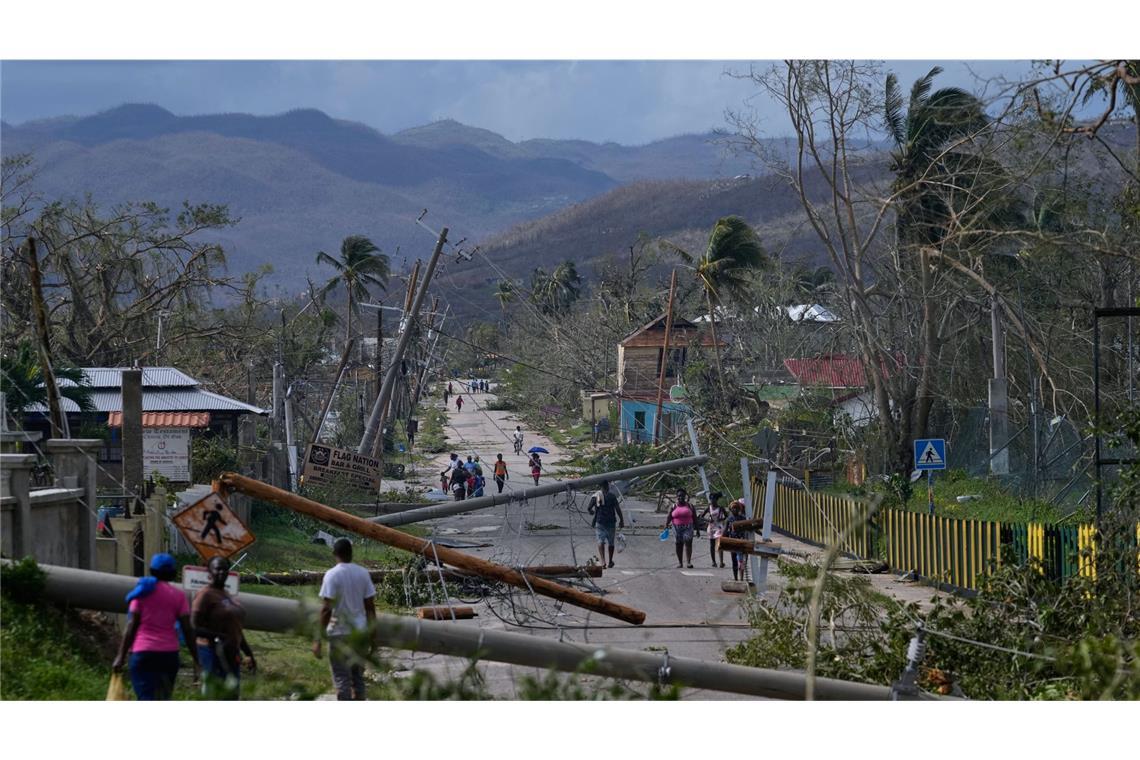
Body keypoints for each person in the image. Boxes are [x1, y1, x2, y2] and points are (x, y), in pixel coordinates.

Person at [112, 553, 199, 700]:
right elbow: (187, 629)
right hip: (168, 655)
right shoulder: (178, 596)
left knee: (145, 697)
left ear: (152, 570)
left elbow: (131, 625)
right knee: (163, 698)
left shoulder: (141, 592)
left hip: (143, 653)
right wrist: (197, 658)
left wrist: (120, 656)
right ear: (172, 573)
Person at [313, 538, 377, 701]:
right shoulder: (363, 573)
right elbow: (370, 607)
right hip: (359, 633)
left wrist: (318, 639)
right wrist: (373, 636)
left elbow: (327, 609)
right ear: (351, 554)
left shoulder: (332, 575)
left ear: (334, 554)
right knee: (357, 678)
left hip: (338, 633)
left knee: (342, 678)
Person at [192, 556, 255, 699]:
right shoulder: (205, 595)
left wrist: (248, 653)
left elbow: (236, 628)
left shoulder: (226, 595)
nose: (221, 572)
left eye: (224, 569)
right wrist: (218, 636)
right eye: (217, 569)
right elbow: (193, 627)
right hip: (212, 653)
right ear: (210, 572)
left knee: (232, 696)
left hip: (231, 655)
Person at [588, 481, 625, 568]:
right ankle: (610, 561)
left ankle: (603, 561)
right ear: (608, 487)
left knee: (600, 541)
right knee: (611, 542)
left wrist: (592, 511)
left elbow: (589, 508)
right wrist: (621, 520)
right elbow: (617, 509)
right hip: (611, 522)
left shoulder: (596, 496)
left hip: (600, 521)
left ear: (601, 487)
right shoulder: (612, 496)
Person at [665, 488, 698, 569]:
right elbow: (669, 516)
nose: (681, 497)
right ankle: (680, 563)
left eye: (682, 496)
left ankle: (689, 562)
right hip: (676, 528)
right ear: (677, 497)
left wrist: (697, 529)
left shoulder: (690, 506)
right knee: (678, 545)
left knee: (688, 543)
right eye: (679, 496)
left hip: (688, 527)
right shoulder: (673, 506)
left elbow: (695, 518)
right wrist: (666, 525)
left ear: (685, 496)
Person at [698, 491, 730, 568]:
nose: (712, 501)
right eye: (711, 499)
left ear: (716, 500)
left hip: (719, 527)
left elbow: (727, 517)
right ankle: (713, 562)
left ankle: (721, 562)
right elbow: (701, 517)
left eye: (714, 499)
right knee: (712, 545)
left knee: (719, 544)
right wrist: (708, 520)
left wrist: (721, 518)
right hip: (711, 527)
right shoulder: (709, 508)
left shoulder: (721, 508)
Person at [725, 499, 749, 582]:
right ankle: (735, 578)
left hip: (741, 541)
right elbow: (725, 531)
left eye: (736, 508)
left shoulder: (743, 518)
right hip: (732, 542)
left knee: (741, 560)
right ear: (731, 509)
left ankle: (741, 579)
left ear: (739, 509)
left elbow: (751, 527)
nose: (735, 510)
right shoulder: (729, 519)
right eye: (733, 508)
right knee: (734, 561)